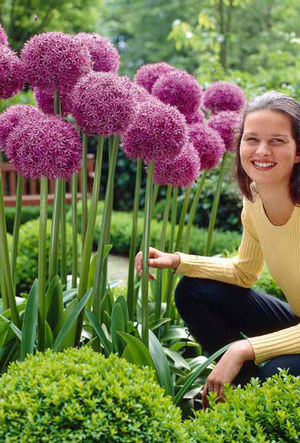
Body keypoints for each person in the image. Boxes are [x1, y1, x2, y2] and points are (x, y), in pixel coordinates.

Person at [135, 91, 300, 407]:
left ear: (297, 151)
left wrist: (242, 349)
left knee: (278, 376)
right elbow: (243, 273)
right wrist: (177, 261)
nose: (262, 151)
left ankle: (251, 396)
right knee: (194, 290)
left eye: (277, 141)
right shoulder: (254, 199)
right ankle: (238, 393)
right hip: (295, 322)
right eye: (252, 139)